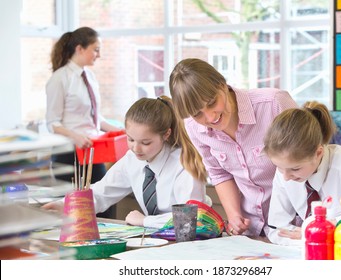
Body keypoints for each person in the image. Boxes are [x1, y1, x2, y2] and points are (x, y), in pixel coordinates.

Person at [169, 58, 297, 237]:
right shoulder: (193, 126)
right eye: (198, 113)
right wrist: (234, 216)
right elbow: (220, 173)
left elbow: (309, 159)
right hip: (252, 229)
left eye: (212, 102)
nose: (210, 117)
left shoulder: (273, 103)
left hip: (294, 224)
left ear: (223, 85)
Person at [43, 96, 211, 228]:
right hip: (157, 238)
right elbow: (103, 191)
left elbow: (190, 219)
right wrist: (66, 205)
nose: (136, 148)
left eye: (145, 143)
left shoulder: (184, 164)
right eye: (130, 139)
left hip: (191, 241)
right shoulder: (132, 159)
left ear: (166, 134)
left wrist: (145, 221)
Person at [263, 101, 341, 245]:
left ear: (318, 152)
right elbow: (276, 229)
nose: (285, 177)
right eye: (279, 167)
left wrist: (334, 226)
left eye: (295, 169)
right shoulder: (285, 169)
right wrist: (311, 240)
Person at [45, 27, 121, 217]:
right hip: (69, 155)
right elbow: (52, 123)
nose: (99, 55)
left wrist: (121, 130)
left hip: (92, 151)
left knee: (106, 205)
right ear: (80, 49)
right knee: (76, 211)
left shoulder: (90, 77)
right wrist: (76, 136)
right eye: (95, 49)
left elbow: (95, 117)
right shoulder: (59, 78)